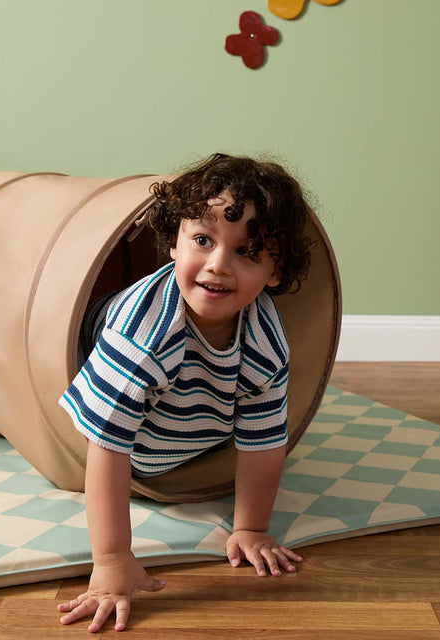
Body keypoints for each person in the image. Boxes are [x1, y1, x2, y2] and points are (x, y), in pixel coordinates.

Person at [57, 153, 313, 632]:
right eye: (203, 240)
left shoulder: (266, 341)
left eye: (248, 252)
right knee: (112, 407)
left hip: (179, 402)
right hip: (95, 340)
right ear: (173, 242)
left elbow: (263, 441)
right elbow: (107, 445)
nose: (218, 266)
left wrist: (251, 527)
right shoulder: (142, 336)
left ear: (276, 272)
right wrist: (112, 560)